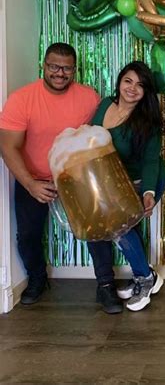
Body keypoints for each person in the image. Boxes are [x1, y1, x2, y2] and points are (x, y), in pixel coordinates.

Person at [0, 43, 100, 305]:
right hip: (34, 177)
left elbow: (98, 139)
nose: (60, 73)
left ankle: (106, 284)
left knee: (98, 228)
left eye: (67, 68)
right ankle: (36, 279)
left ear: (75, 70)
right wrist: (30, 184)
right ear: (43, 66)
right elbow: (7, 146)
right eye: (54, 66)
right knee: (29, 234)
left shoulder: (89, 98)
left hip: (76, 177)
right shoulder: (21, 99)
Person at [87, 61, 165, 314]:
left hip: (142, 179)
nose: (132, 89)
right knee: (115, 228)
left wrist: (148, 193)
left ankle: (145, 280)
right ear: (120, 81)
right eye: (128, 81)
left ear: (146, 92)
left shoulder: (147, 122)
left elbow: (151, 161)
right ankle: (147, 275)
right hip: (111, 181)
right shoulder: (104, 105)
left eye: (140, 85)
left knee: (120, 228)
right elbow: (90, 140)